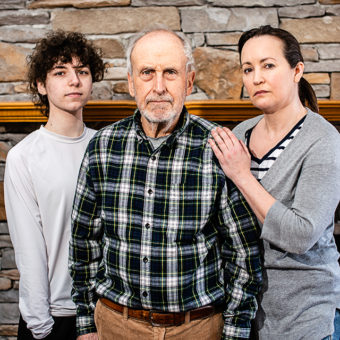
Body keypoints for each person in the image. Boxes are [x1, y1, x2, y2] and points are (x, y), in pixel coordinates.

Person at [69, 28, 262, 340]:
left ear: (188, 81)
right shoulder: (103, 146)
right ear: (131, 82)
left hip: (197, 328)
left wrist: (236, 331)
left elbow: (243, 254)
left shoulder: (218, 147)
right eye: (147, 73)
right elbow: (83, 243)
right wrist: (86, 323)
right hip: (116, 325)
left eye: (170, 72)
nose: (158, 87)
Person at [209, 25, 340, 340]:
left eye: (268, 65)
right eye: (247, 69)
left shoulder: (323, 141)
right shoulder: (240, 134)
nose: (256, 78)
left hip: (304, 319)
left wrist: (241, 174)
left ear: (297, 71)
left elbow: (300, 234)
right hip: (243, 315)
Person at [4, 30, 106, 339]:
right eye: (60, 72)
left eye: (82, 72)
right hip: (54, 317)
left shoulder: (106, 147)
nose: (74, 81)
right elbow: (29, 250)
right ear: (41, 85)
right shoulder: (24, 156)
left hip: (107, 312)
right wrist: (41, 326)